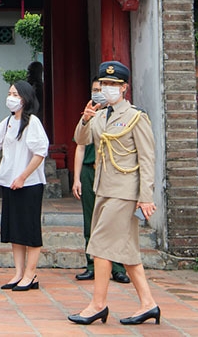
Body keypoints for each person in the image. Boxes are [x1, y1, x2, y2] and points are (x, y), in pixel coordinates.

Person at [68, 60, 160, 326]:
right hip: (102, 188)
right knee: (128, 251)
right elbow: (81, 140)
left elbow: (147, 158)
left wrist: (146, 196)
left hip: (124, 191)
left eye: (113, 84)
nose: (107, 89)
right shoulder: (99, 115)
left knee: (100, 247)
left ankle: (97, 305)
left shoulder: (136, 117)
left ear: (124, 88)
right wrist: (85, 119)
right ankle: (148, 304)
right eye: (103, 84)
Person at [0, 80, 49, 292]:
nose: (11, 98)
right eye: (9, 93)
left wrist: (23, 176)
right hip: (9, 182)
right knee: (15, 230)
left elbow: (40, 153)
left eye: (15, 94)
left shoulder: (33, 124)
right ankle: (19, 272)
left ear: (26, 98)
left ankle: (31, 274)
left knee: (30, 230)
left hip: (29, 184)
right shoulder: (8, 122)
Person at [72, 79, 130, 284]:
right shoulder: (89, 116)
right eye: (95, 90)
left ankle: (117, 267)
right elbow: (79, 145)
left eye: (101, 89)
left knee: (115, 222)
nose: (98, 93)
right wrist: (76, 178)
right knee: (91, 220)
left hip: (112, 174)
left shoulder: (126, 116)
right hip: (90, 171)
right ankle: (92, 264)